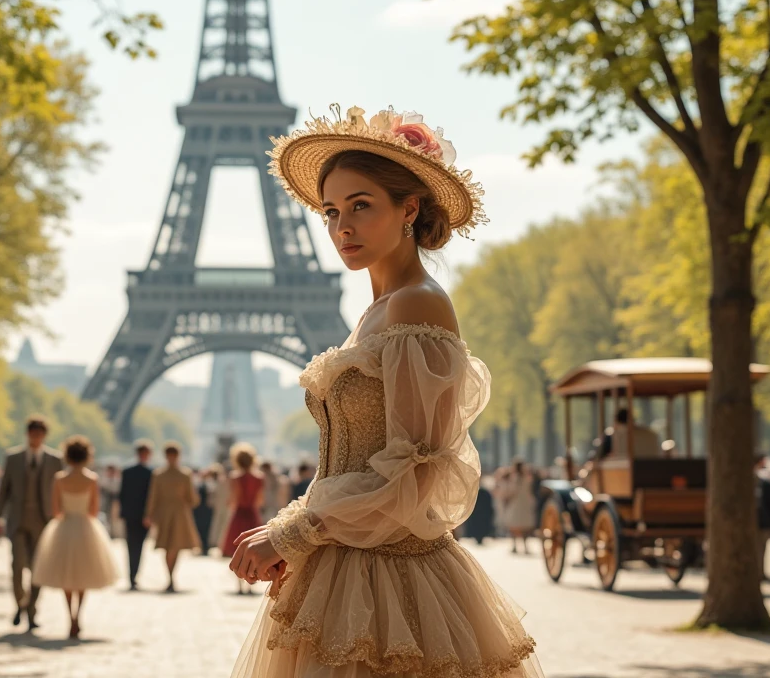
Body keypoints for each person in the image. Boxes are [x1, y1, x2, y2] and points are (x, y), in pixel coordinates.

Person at [228, 105, 542, 676]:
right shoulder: (379, 311)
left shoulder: (416, 304)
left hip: (388, 582)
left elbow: (414, 472)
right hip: (350, 570)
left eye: (361, 206)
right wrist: (289, 533)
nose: (341, 227)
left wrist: (291, 534)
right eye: (330, 211)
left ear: (410, 208)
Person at [31, 436, 119, 639]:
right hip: (85, 528)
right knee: (83, 575)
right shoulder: (92, 479)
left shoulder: (60, 479)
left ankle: (69, 616)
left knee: (66, 576)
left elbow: (55, 510)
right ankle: (78, 616)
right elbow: (94, 510)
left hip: (65, 527)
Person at [0, 415, 64, 630]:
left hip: (43, 521)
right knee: (17, 566)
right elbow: (4, 489)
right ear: (27, 434)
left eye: (39, 434)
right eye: (33, 434)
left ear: (44, 436)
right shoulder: (13, 458)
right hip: (18, 519)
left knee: (37, 568)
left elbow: (59, 492)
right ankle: (20, 602)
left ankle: (31, 610)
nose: (35, 438)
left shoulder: (54, 460)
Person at [144, 442, 200, 593]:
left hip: (165, 513)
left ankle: (169, 577)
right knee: (175, 546)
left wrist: (149, 514)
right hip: (180, 513)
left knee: (168, 546)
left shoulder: (159, 474)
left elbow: (153, 497)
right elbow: (192, 499)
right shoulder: (184, 474)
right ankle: (171, 576)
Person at [222, 443, 265, 594]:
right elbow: (260, 500)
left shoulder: (235, 477)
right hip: (252, 514)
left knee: (238, 549)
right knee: (253, 550)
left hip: (239, 515)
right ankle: (250, 582)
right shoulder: (259, 477)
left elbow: (234, 499)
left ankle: (239, 584)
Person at [119, 440, 154, 590]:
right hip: (141, 515)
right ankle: (133, 576)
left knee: (132, 546)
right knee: (137, 546)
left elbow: (122, 494)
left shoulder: (127, 471)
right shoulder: (150, 473)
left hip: (133, 514)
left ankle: (132, 576)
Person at [503, 458, 537, 554]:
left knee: (515, 525)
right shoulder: (526, 477)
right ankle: (524, 546)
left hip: (517, 503)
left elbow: (512, 491)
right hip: (523, 502)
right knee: (523, 526)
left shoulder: (516, 478)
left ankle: (515, 546)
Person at [754, 454, 770, 580]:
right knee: (761, 549)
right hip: (763, 521)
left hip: (759, 521)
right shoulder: (764, 482)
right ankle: (759, 572)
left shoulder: (763, 482)